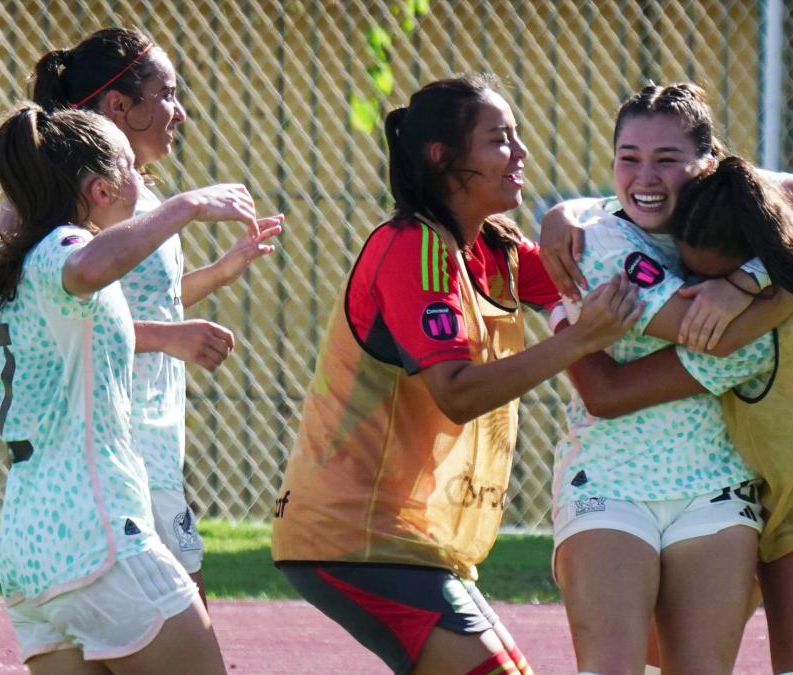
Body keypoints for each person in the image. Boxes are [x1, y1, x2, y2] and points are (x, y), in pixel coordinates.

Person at [270, 74, 643, 675]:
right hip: (354, 536)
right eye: (500, 139)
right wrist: (581, 339)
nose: (520, 153)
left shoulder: (496, 248)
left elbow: (585, 286)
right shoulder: (411, 250)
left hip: (417, 543)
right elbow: (458, 394)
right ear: (443, 157)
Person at [540, 83, 793, 675]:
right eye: (629, 157)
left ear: (710, 164)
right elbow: (715, 342)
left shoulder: (746, 226)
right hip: (612, 486)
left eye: (667, 158)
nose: (645, 175)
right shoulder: (600, 239)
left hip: (744, 483)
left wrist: (745, 278)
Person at [0, 104, 251, 672]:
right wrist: (189, 206)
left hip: (28, 548)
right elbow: (86, 268)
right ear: (98, 189)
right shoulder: (61, 252)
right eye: (129, 169)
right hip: (99, 533)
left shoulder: (7, 274)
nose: (141, 180)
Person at [29, 27, 284, 601]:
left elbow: (123, 309)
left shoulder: (138, 198)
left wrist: (217, 274)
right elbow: (53, 319)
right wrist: (170, 335)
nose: (181, 112)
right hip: (105, 444)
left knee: (169, 614)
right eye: (167, 94)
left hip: (155, 441)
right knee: (179, 620)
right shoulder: (79, 197)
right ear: (118, 105)